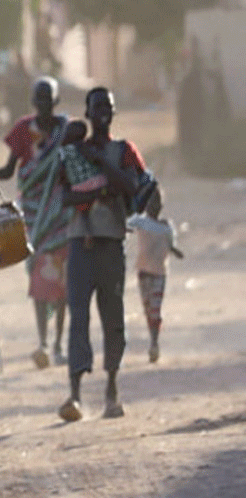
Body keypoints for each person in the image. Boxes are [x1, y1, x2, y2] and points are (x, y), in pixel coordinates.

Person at [57, 87, 147, 422]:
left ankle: (111, 388)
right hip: (80, 242)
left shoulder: (122, 150)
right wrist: (100, 187)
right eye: (97, 107)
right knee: (78, 317)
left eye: (108, 107)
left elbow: (134, 186)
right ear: (88, 111)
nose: (103, 113)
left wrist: (100, 166)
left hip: (110, 241)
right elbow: (63, 196)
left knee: (112, 317)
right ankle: (75, 394)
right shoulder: (73, 151)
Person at [0, 77, 72, 368]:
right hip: (35, 217)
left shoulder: (67, 130)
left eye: (48, 100)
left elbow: (75, 166)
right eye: (39, 101)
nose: (43, 106)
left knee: (62, 283)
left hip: (62, 214)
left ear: (56, 101)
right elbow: (8, 171)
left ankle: (60, 343)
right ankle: (43, 343)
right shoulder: (24, 130)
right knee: (40, 281)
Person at [127, 184, 183, 363]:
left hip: (159, 272)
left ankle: (154, 343)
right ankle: (153, 342)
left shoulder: (167, 227)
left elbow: (171, 245)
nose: (154, 206)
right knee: (149, 308)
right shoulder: (141, 221)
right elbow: (124, 225)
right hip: (144, 272)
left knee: (155, 309)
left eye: (157, 203)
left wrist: (175, 251)